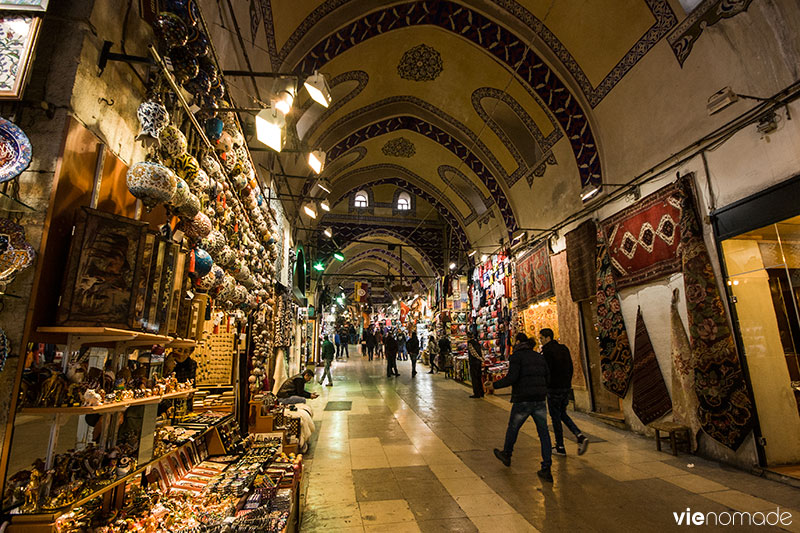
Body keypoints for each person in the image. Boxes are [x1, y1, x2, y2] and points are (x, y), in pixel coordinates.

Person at [490, 333, 553, 482]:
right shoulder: (539, 356)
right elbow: (548, 377)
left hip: (523, 399)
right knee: (544, 433)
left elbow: (512, 378)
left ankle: (507, 454)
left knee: (513, 427)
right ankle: (547, 467)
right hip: (539, 399)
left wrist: (494, 385)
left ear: (518, 342)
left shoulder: (517, 356)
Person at [540, 328, 589, 456]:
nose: (540, 341)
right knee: (562, 413)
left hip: (553, 388)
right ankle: (579, 435)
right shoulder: (564, 349)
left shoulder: (547, 352)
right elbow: (570, 367)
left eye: (541, 338)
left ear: (547, 338)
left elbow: (546, 371)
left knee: (555, 417)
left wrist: (546, 385)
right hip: (566, 387)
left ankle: (560, 446)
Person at [467, 332, 484, 398]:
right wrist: (482, 359)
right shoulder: (477, 342)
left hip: (474, 362)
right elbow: (481, 351)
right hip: (479, 362)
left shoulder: (470, 343)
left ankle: (476, 393)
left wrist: (479, 358)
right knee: (479, 377)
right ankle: (481, 392)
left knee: (474, 378)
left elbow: (473, 352)